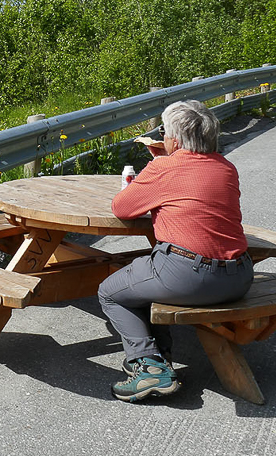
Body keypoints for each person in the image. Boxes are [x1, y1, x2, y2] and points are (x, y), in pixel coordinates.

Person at [98, 99, 252, 402]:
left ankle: (150, 367)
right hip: (239, 276)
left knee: (110, 291)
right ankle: (160, 356)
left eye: (165, 132)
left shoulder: (164, 167)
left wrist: (157, 165)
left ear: (175, 140)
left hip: (189, 276)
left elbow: (122, 207)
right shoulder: (226, 167)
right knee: (144, 277)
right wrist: (165, 162)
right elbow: (192, 185)